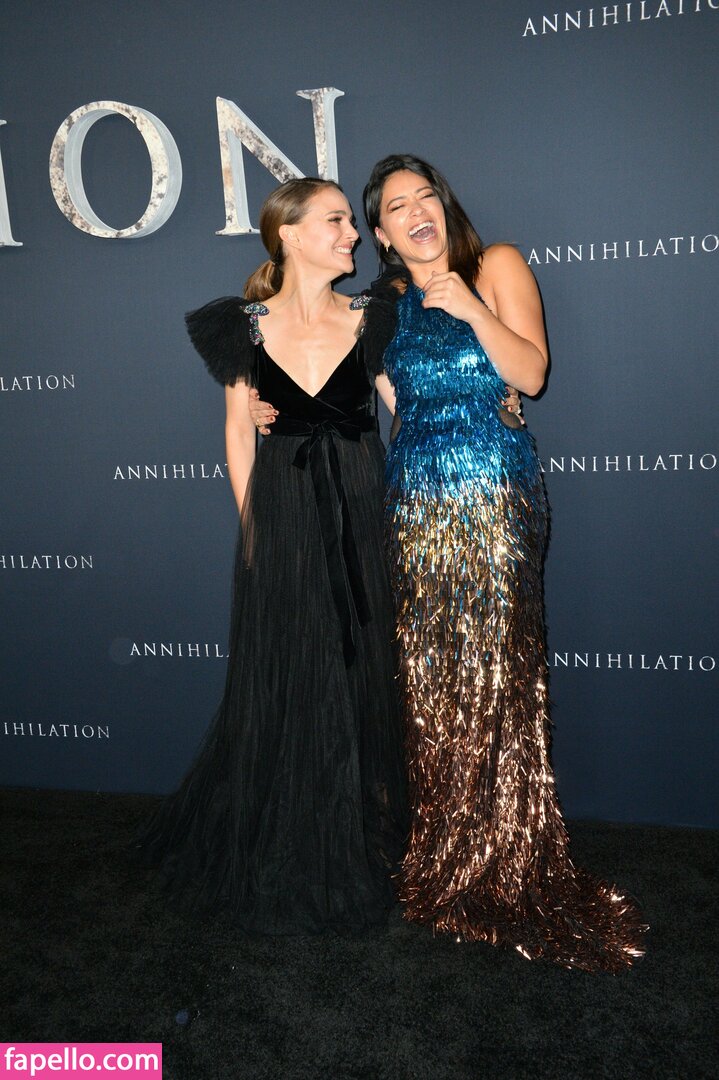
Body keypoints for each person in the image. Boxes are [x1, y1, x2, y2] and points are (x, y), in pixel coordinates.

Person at [253, 156, 646, 972]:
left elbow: (530, 373)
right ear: (382, 234)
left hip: (495, 494)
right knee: (431, 685)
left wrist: (468, 306)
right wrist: (270, 408)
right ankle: (443, 852)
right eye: (395, 207)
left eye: (423, 196)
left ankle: (509, 854)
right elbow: (370, 399)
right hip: (414, 502)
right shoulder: (380, 307)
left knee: (500, 675)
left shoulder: (494, 264)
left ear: (443, 204)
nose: (414, 212)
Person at [138, 177, 407, 934]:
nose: (352, 234)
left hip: (362, 504)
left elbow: (405, 408)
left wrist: (486, 409)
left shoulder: (372, 316)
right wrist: (254, 530)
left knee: (359, 660)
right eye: (336, 220)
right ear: (288, 233)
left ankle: (355, 821)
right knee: (292, 660)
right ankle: (295, 820)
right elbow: (235, 431)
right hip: (284, 505)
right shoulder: (242, 326)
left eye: (352, 222)